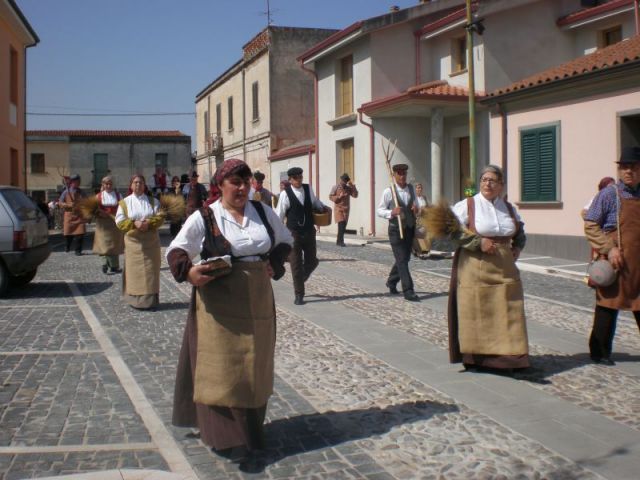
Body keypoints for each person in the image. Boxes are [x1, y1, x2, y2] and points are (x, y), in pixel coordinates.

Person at [166, 159, 293, 462]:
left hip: (257, 299)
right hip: (219, 304)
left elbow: (285, 240)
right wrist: (189, 272)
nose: (242, 188)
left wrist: (274, 264)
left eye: (245, 182)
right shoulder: (205, 216)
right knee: (222, 369)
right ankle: (227, 437)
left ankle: (251, 432)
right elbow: (177, 250)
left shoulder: (263, 212)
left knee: (254, 365)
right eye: (235, 182)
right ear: (220, 185)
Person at [448, 165, 529, 372]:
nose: (487, 183)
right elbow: (452, 231)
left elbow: (519, 230)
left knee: (509, 311)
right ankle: (476, 359)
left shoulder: (508, 208)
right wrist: (478, 242)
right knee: (477, 311)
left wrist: (518, 246)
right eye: (484, 179)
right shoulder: (468, 205)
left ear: (501, 185)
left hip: (505, 267)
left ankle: (512, 359)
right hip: (476, 266)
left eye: (493, 180)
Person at [584, 146, 640, 365]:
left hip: (638, 263)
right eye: (624, 167)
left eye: (633, 167)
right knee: (608, 305)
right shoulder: (609, 194)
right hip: (616, 260)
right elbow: (591, 224)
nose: (628, 171)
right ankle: (599, 351)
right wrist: (610, 249)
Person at [275, 166, 329, 305]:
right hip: (293, 233)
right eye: (296, 178)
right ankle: (299, 294)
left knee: (312, 261)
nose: (299, 180)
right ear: (290, 180)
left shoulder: (308, 188)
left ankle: (301, 278)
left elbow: (315, 202)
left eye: (300, 177)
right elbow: (279, 215)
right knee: (296, 263)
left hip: (309, 230)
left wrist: (322, 207)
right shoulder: (285, 194)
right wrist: (277, 234)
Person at [115, 175, 165, 310]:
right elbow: (119, 221)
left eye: (141, 182)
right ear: (131, 185)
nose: (138, 185)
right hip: (133, 243)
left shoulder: (153, 202)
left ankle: (150, 301)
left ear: (144, 185)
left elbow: (161, 217)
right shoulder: (124, 203)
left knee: (151, 271)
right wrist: (134, 223)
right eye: (135, 182)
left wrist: (149, 222)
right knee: (135, 272)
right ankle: (135, 300)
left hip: (151, 242)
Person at [377, 163, 420, 301]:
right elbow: (379, 210)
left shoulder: (411, 189)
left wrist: (416, 209)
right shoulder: (389, 191)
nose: (402, 176)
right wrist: (391, 212)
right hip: (396, 230)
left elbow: (417, 207)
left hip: (409, 229)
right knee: (402, 259)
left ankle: (391, 281)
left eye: (404, 173)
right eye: (399, 173)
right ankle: (408, 290)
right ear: (394, 175)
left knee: (404, 259)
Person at [94, 176, 124, 274]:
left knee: (114, 245)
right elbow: (93, 210)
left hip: (114, 222)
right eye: (106, 184)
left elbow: (123, 208)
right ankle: (104, 263)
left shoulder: (118, 195)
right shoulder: (98, 196)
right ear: (103, 185)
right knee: (104, 244)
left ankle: (114, 266)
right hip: (102, 223)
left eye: (110, 184)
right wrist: (99, 213)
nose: (108, 186)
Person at [58, 174, 86, 255]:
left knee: (80, 234)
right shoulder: (65, 192)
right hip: (69, 215)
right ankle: (67, 246)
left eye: (79, 181)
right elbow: (60, 203)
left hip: (79, 215)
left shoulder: (81, 192)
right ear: (72, 182)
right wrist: (68, 205)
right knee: (68, 235)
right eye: (77, 181)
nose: (78, 183)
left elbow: (86, 201)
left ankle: (78, 251)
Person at [329, 173, 358, 247]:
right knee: (341, 225)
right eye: (343, 180)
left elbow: (355, 195)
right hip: (338, 209)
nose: (344, 182)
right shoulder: (335, 187)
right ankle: (340, 241)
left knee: (343, 227)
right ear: (341, 180)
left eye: (345, 181)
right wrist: (339, 197)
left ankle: (338, 241)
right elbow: (330, 197)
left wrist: (352, 186)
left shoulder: (348, 188)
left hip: (346, 210)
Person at [412, 182, 431, 259]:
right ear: (415, 189)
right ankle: (418, 251)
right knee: (418, 235)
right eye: (418, 188)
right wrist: (420, 210)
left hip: (424, 218)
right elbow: (413, 209)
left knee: (425, 235)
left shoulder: (424, 197)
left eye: (420, 188)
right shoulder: (414, 198)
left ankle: (425, 250)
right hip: (417, 218)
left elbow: (428, 207)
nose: (419, 189)